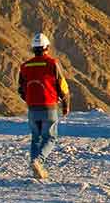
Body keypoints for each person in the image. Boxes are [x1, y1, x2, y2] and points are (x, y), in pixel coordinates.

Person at [18, 33, 70, 179]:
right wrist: (66, 104)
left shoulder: (25, 66)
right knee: (50, 138)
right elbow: (62, 86)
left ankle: (35, 168)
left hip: (32, 108)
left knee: (36, 138)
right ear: (47, 47)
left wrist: (30, 101)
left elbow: (21, 89)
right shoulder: (52, 64)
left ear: (33, 49)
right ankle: (38, 161)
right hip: (49, 107)